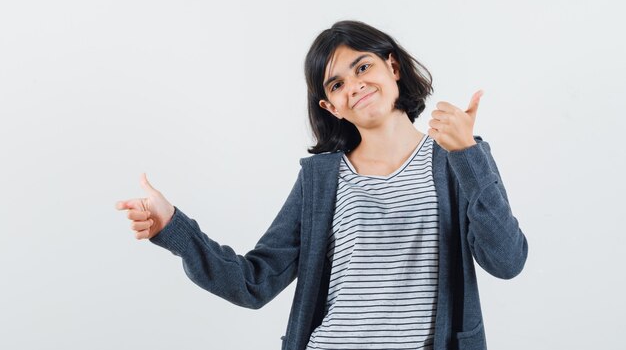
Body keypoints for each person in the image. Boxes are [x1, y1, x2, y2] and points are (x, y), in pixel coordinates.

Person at [116, 20, 528, 350]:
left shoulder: (457, 158)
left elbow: (506, 261)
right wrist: (174, 228)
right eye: (337, 84)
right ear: (331, 107)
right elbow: (254, 282)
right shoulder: (321, 179)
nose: (355, 86)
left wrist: (465, 154)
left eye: (362, 67)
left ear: (393, 67)